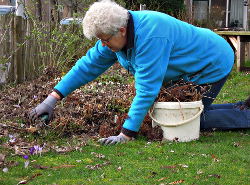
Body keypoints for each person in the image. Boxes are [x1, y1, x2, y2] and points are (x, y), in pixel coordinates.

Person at [29, 0, 250, 145]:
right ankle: (242, 107)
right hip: (187, 68)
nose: (103, 45)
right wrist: (53, 98)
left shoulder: (151, 36)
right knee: (168, 113)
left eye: (105, 40)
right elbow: (87, 66)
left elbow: (146, 90)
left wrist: (126, 134)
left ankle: (246, 115)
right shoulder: (115, 35)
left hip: (211, 63)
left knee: (190, 121)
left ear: (122, 30)